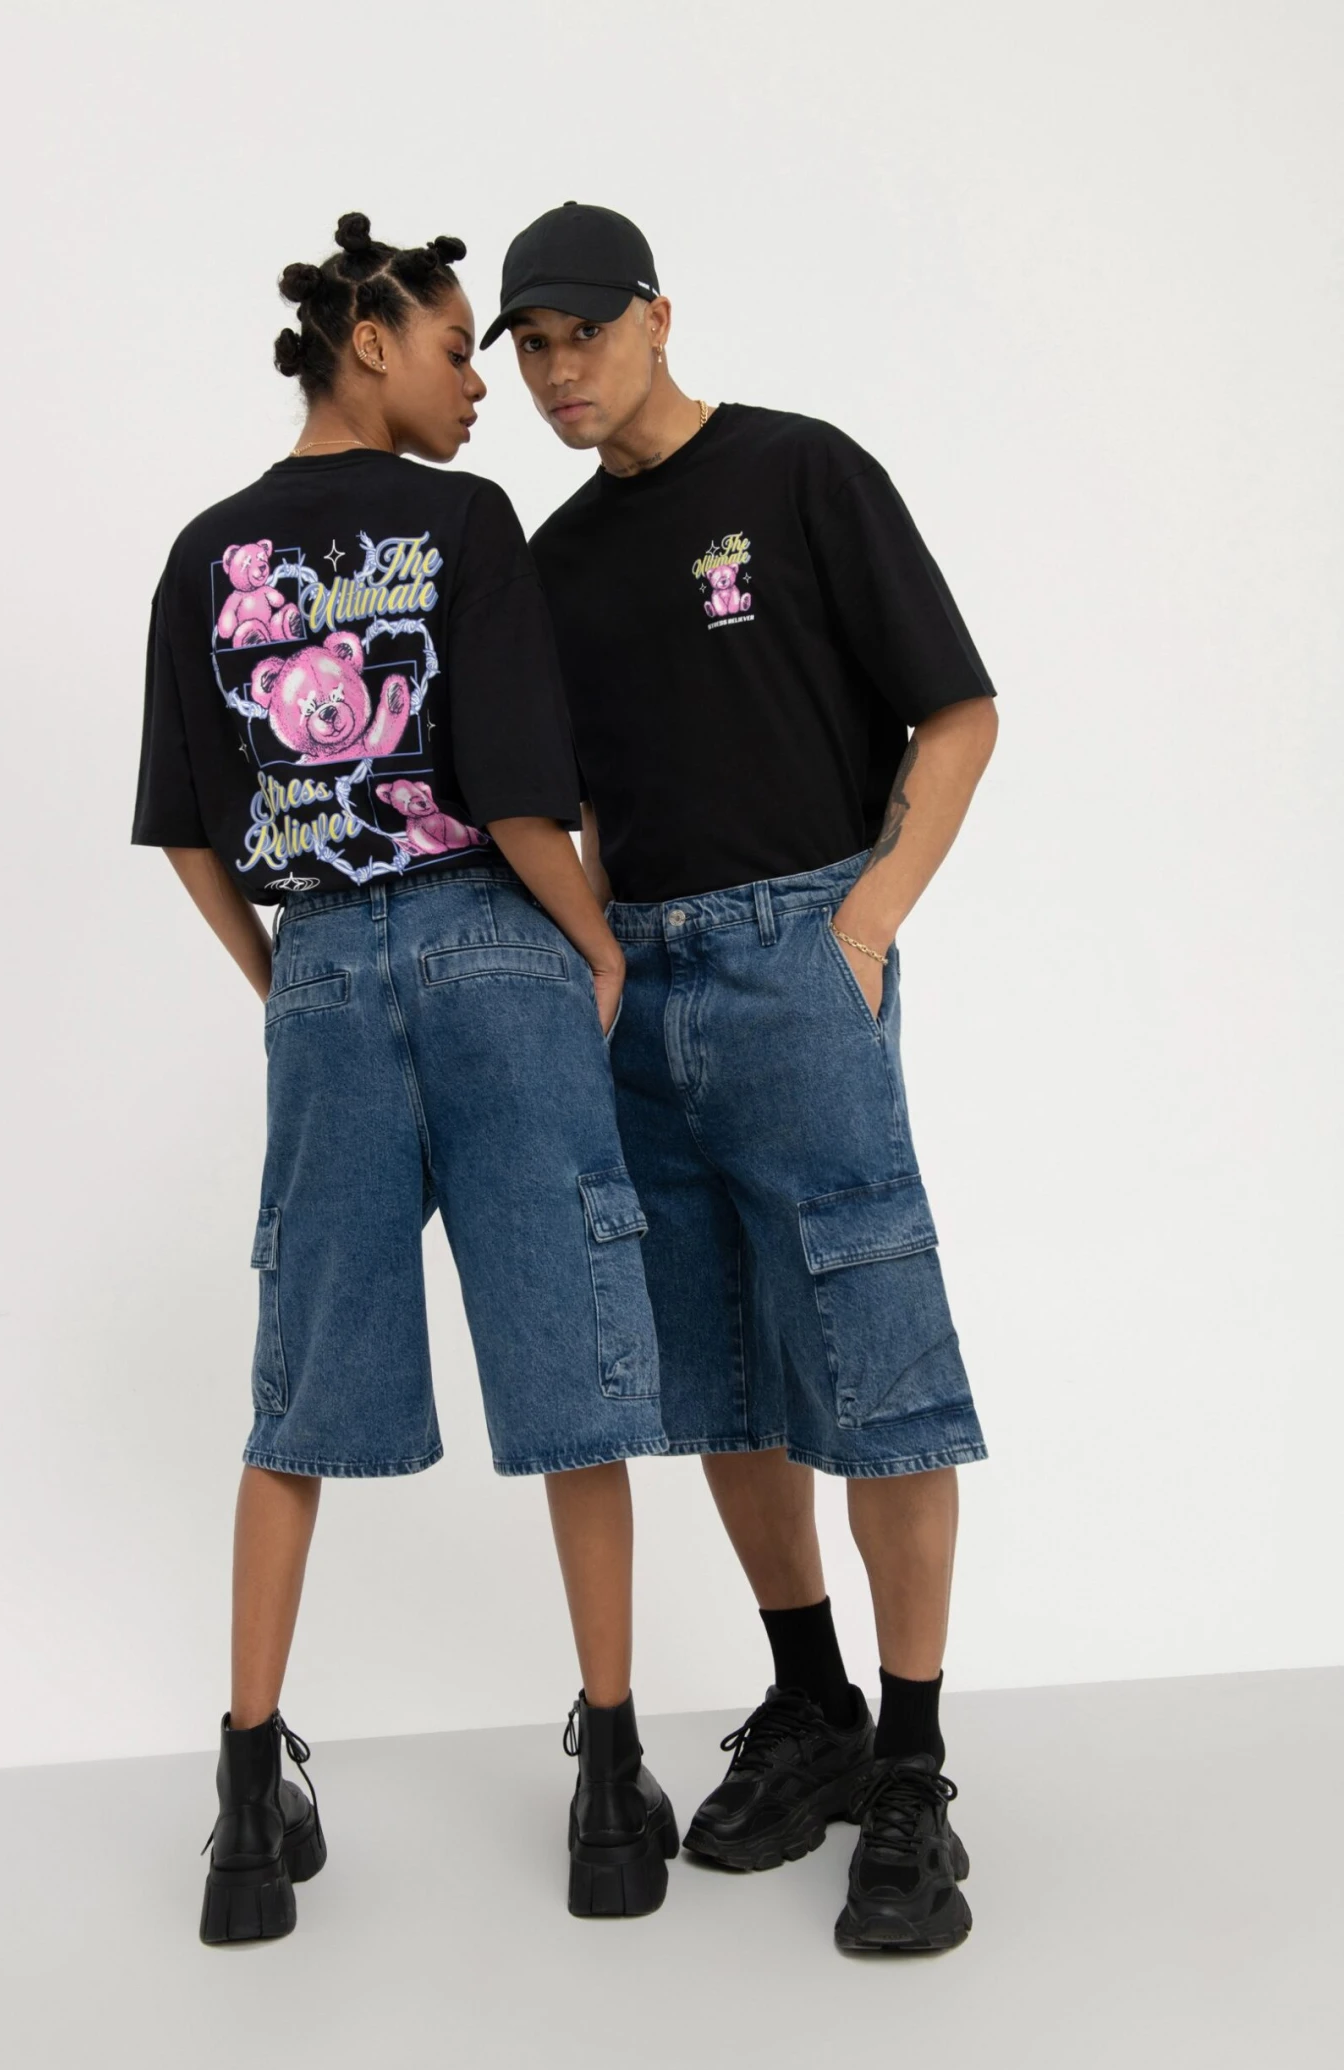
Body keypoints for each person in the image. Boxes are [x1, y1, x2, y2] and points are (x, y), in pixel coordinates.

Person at [133, 212, 678, 1943]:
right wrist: (593, 944)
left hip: (321, 970)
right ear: (368, 343)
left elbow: (186, 827)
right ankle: (612, 1783)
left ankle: (245, 1803)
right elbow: (515, 792)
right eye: (458, 351)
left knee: (296, 1384)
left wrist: (287, 977)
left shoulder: (206, 552)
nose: (484, 387)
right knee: (576, 1359)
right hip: (496, 946)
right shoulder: (466, 523)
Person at [484, 202, 999, 1954]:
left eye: (582, 332)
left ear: (656, 315)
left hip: (799, 955)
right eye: (530, 347)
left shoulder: (799, 474)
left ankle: (914, 1766)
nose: (558, 370)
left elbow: (958, 710)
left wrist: (867, 919)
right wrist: (598, 955)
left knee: (874, 1348)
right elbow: (569, 798)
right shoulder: (554, 564)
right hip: (640, 979)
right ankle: (813, 1700)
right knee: (714, 1362)